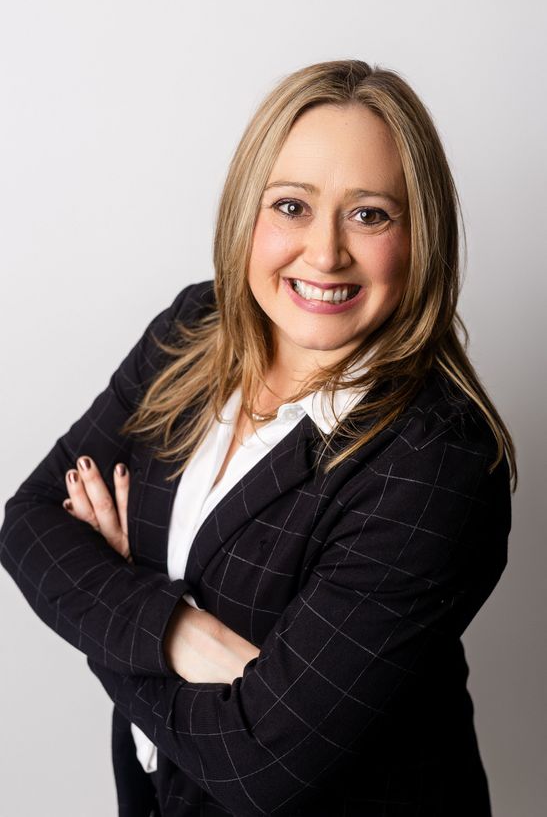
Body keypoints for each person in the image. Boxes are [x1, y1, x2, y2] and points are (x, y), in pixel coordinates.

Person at [0, 59, 516, 817]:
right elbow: (30, 520)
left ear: (420, 236)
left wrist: (109, 610)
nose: (325, 253)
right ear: (248, 211)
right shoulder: (193, 328)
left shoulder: (436, 462)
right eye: (292, 205)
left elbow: (255, 768)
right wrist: (181, 635)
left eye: (369, 214)